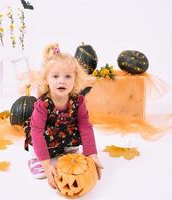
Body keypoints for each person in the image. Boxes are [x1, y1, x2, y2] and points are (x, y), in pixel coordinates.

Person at [24, 43, 103, 189]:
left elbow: (85, 126)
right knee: (37, 140)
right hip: (43, 135)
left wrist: (92, 153)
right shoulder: (43, 105)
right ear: (47, 79)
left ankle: (66, 149)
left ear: (75, 79)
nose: (62, 81)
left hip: (63, 133)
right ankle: (36, 159)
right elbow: (36, 132)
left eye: (67, 76)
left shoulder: (78, 101)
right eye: (55, 76)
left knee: (78, 127)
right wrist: (47, 164)